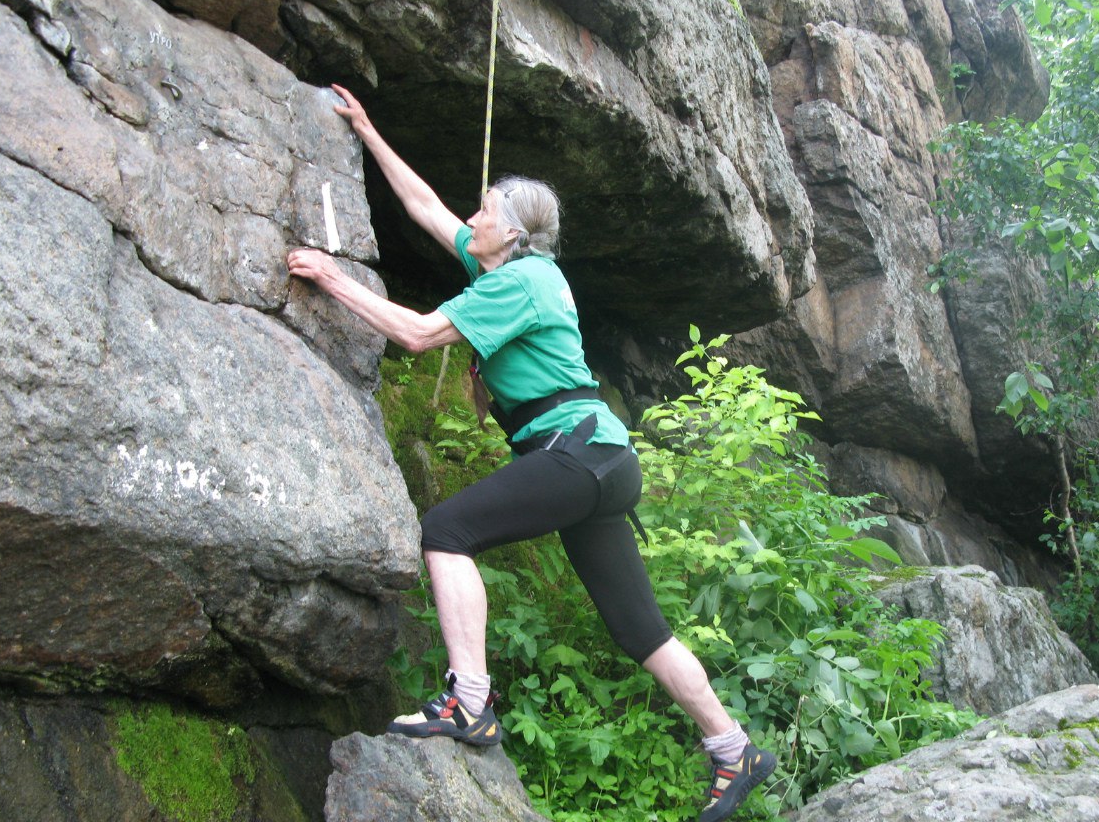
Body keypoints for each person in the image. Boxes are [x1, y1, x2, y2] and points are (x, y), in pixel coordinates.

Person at [287, 84, 776, 822]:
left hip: (573, 454)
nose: (472, 217)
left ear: (511, 235)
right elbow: (426, 207)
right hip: (599, 460)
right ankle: (735, 750)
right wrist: (369, 132)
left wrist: (331, 277)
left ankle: (469, 702)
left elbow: (417, 335)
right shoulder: (515, 271)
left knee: (447, 532)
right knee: (639, 628)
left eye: (484, 210)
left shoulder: (520, 284)